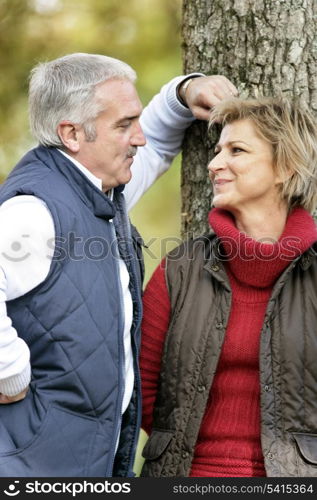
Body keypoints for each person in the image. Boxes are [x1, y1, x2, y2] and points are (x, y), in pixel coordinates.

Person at [0, 52, 237, 477]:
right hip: (32, 467)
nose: (139, 138)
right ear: (71, 133)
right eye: (124, 125)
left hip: (83, 464)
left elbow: (159, 142)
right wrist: (8, 371)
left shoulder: (99, 185)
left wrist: (185, 93)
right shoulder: (34, 210)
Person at [140, 96, 317, 477]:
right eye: (218, 150)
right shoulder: (180, 269)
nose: (214, 163)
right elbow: (143, 388)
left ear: (285, 167)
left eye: (236, 150)